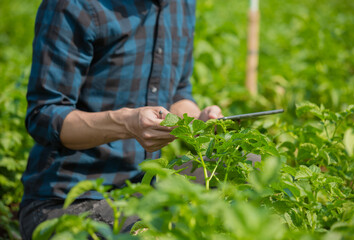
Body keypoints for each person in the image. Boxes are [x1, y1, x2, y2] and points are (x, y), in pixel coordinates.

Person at [19, 0, 223, 239]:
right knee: (159, 230)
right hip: (66, 202)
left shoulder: (181, 4)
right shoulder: (74, 5)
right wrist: (126, 122)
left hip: (144, 187)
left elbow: (178, 91)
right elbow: (44, 115)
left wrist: (197, 120)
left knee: (250, 167)